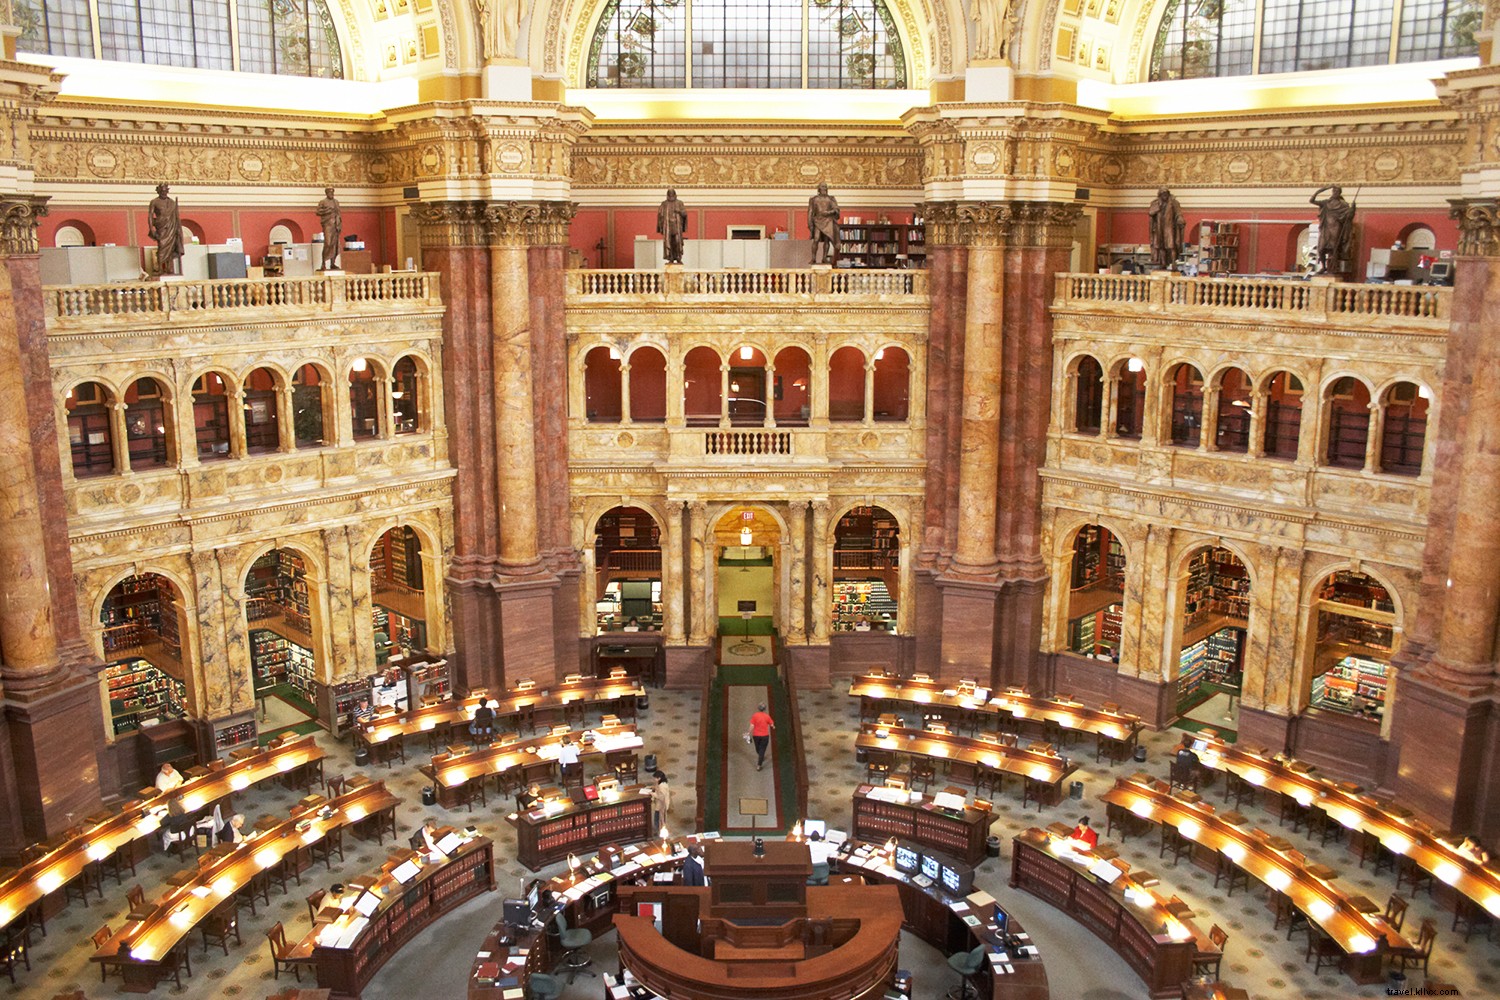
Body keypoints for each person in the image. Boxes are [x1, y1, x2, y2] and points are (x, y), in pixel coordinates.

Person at [1310, 185, 1354, 273]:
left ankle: (1334, 268)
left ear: (1339, 193)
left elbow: (1349, 216)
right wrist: (1321, 190)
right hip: (1326, 228)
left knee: (1334, 248)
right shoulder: (1326, 202)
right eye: (1333, 191)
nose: (1335, 193)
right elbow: (1312, 201)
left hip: (1336, 227)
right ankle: (1323, 267)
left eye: (1337, 191)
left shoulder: (1343, 204)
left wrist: (1353, 209)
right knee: (1321, 249)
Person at [147, 183, 183, 276]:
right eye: (162, 191)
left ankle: (169, 268)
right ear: (158, 191)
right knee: (162, 247)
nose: (164, 193)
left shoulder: (172, 202)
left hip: (171, 227)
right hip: (161, 228)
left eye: (165, 191)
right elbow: (150, 216)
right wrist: (151, 229)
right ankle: (159, 268)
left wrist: (178, 229)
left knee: (171, 249)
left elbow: (176, 217)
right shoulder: (154, 202)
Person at [1148, 188, 1185, 268]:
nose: (1164, 195)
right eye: (1162, 193)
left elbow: (1178, 213)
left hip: (1170, 227)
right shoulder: (1155, 203)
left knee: (1171, 246)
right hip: (1159, 227)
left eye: (1166, 193)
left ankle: (1173, 263)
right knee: (1161, 246)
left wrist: (1180, 219)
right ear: (1160, 195)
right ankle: (1163, 264)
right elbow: (1151, 213)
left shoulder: (1174, 203)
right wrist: (1157, 209)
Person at [808, 183, 841, 265]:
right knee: (816, 239)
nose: (824, 188)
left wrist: (829, 212)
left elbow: (836, 209)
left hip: (828, 220)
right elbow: (810, 212)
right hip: (817, 220)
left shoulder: (831, 199)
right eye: (822, 187)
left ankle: (824, 257)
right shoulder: (814, 199)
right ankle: (813, 258)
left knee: (827, 240)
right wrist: (809, 223)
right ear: (819, 189)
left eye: (825, 187)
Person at [657, 189, 688, 265]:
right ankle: (670, 258)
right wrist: (661, 226)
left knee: (677, 242)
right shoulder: (664, 204)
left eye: (672, 194)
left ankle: (678, 257)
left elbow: (684, 214)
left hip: (677, 226)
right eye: (669, 194)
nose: (671, 196)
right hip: (668, 226)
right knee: (669, 242)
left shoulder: (679, 203)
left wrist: (679, 211)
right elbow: (660, 215)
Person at [316, 187, 342, 270]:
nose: (331, 194)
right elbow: (318, 212)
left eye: (332, 192)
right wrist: (327, 210)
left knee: (335, 244)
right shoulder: (323, 202)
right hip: (327, 224)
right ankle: (323, 263)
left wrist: (339, 224)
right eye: (330, 192)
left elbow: (339, 213)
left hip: (335, 225)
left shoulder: (336, 202)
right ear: (326, 193)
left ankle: (332, 263)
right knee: (328, 243)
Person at [748, 703, 775, 771]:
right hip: (765, 736)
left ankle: (760, 760)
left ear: (758, 708)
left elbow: (752, 725)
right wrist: (773, 726)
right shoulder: (767, 716)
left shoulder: (755, 716)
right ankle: (759, 763)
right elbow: (771, 724)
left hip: (756, 736)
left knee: (758, 748)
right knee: (762, 750)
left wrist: (748, 732)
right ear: (764, 709)